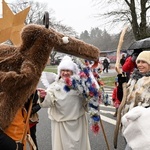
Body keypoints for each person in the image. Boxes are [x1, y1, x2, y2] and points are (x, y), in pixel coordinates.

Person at [38, 55, 91, 150]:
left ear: (72, 72)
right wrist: (44, 96)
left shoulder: (80, 86)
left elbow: (87, 103)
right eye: (63, 70)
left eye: (68, 70)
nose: (65, 73)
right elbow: (49, 101)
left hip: (78, 123)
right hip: (61, 125)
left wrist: (92, 96)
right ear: (60, 72)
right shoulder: (54, 86)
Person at [118, 51, 150, 150]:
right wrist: (121, 84)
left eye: (143, 62)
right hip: (129, 124)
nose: (140, 64)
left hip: (144, 127)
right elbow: (122, 98)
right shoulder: (134, 78)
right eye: (138, 61)